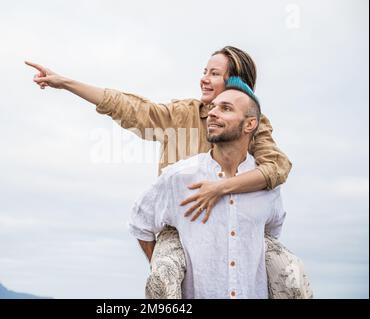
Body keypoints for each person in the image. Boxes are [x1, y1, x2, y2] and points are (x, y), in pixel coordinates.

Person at [25, 46, 312, 298]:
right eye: (204, 71)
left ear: (237, 82)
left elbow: (277, 167)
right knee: (164, 276)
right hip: (180, 227)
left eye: (214, 73)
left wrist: (221, 188)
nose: (204, 78)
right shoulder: (183, 114)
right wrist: (65, 82)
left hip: (232, 223)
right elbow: (131, 109)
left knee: (290, 272)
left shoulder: (253, 123)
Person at [130, 79, 284, 298]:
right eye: (213, 107)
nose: (212, 113)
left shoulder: (267, 187)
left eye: (226, 108)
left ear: (250, 124)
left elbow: (271, 233)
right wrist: (166, 275)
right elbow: (140, 223)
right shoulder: (180, 177)